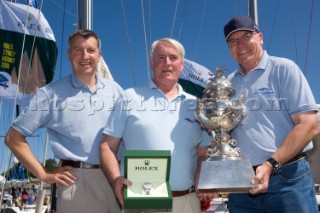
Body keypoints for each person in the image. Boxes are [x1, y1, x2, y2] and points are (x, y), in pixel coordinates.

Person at [5, 29, 123, 213]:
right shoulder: (49, 95)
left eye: (91, 50)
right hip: (78, 183)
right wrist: (43, 173)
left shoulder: (116, 90)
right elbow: (13, 138)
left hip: (118, 178)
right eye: (78, 50)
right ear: (69, 55)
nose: (85, 56)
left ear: (99, 55)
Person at [99, 38, 211, 213]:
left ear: (181, 64)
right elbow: (107, 146)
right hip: (141, 203)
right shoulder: (129, 97)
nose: (167, 63)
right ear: (152, 63)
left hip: (186, 202)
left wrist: (202, 175)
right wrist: (115, 179)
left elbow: (203, 153)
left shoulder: (198, 106)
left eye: (173, 57)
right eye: (161, 57)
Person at [223, 16, 320, 212]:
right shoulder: (226, 85)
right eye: (233, 41)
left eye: (246, 36)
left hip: (288, 179)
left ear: (260, 37)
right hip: (241, 184)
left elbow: (309, 125)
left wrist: (270, 165)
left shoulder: (284, 69)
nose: (240, 44)